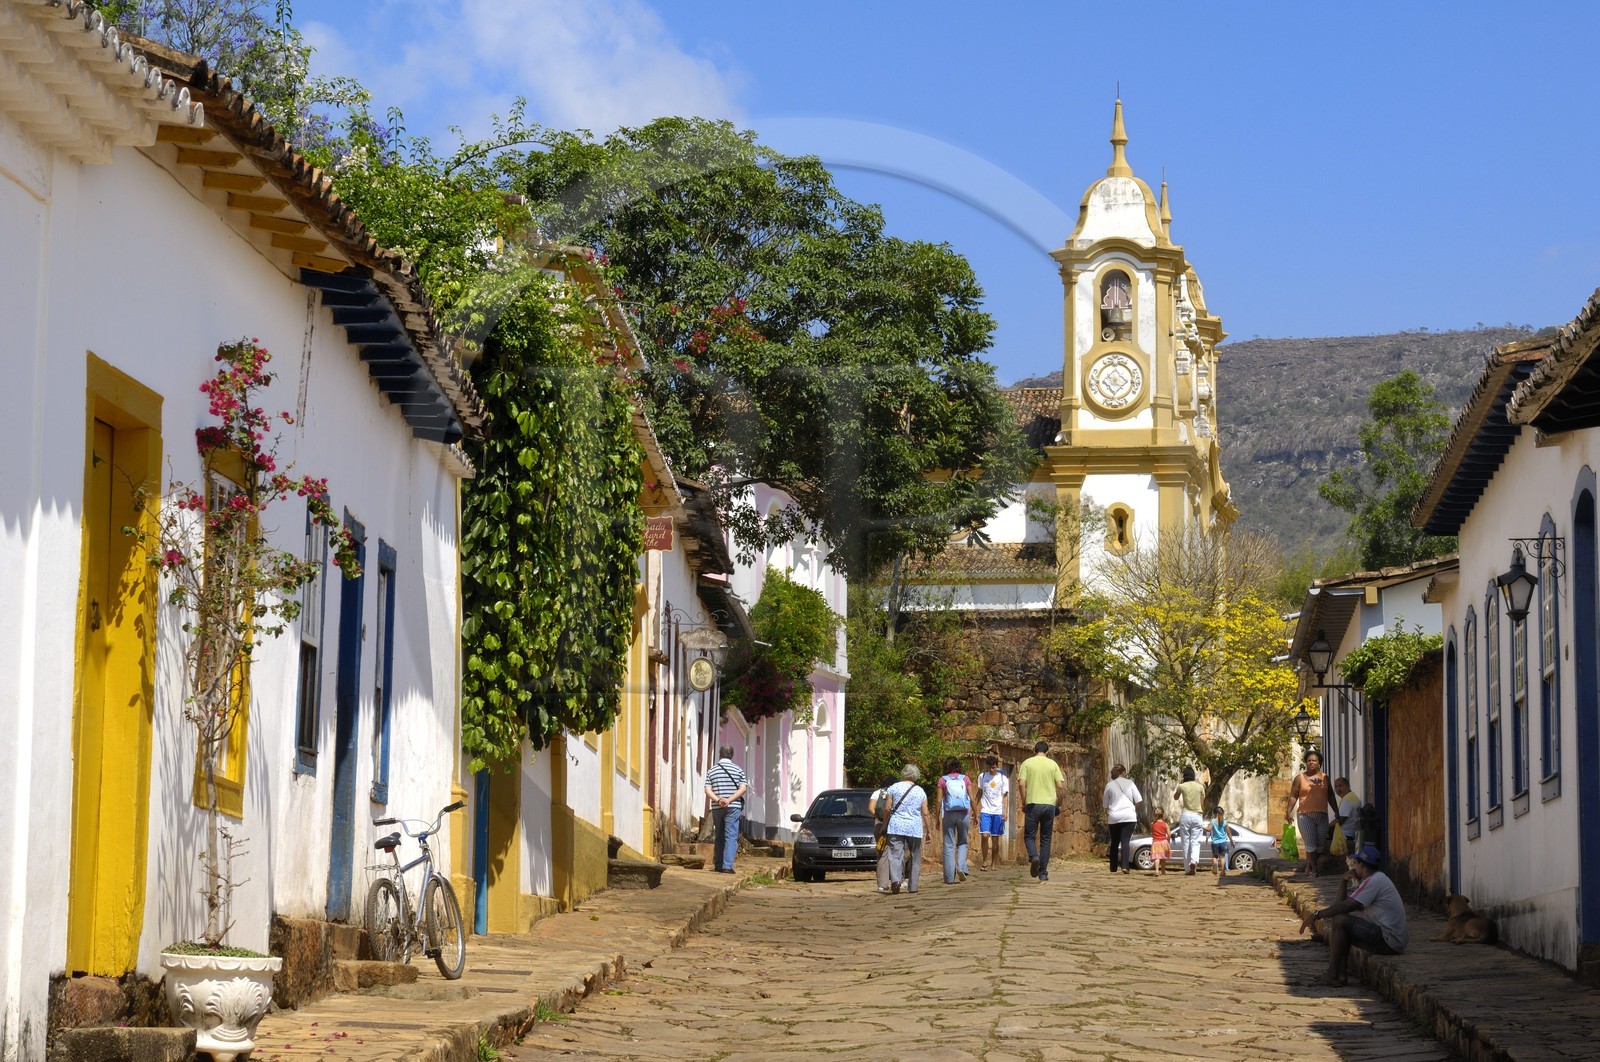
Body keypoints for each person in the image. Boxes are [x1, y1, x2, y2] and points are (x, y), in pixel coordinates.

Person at [1299, 845, 1408, 987]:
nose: (1354, 867)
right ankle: (1341, 976)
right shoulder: (1375, 879)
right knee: (1341, 923)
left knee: (1341, 921)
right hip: (1392, 939)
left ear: (1361, 865)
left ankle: (1333, 974)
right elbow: (1341, 906)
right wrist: (1343, 882)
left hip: (1390, 940)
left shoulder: (1374, 882)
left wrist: (1316, 915)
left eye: (1356, 864)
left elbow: (1344, 907)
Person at [1016, 740, 1066, 882]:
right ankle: (1043, 873)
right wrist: (1059, 804)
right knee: (1046, 839)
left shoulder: (1027, 763)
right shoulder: (1053, 764)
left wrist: (1024, 801)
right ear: (1047, 752)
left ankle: (1034, 857)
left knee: (1029, 836)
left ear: (1034, 751)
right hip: (1049, 805)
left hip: (1033, 804)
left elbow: (1021, 783)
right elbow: (1060, 787)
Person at [881, 764, 934, 895]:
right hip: (914, 827)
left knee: (895, 854)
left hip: (896, 825)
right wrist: (929, 831)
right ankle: (913, 886)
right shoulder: (921, 791)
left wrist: (884, 822)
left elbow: (887, 808)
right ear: (916, 776)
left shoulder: (894, 787)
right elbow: (925, 813)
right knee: (915, 855)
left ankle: (895, 880)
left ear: (903, 774)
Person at [704, 746, 748, 874]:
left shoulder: (712, 771)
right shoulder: (738, 770)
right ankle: (727, 866)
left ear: (720, 755)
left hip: (717, 807)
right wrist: (729, 800)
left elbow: (707, 789)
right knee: (731, 835)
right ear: (732, 755)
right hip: (733, 807)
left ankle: (718, 864)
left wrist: (719, 800)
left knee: (719, 835)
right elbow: (743, 788)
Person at [1286, 751, 1331, 876]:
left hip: (1322, 815)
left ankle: (1308, 866)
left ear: (1319, 764)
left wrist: (1337, 812)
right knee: (1311, 844)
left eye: (1314, 761)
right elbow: (1293, 796)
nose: (1311, 762)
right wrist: (1288, 812)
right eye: (1309, 760)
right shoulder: (1299, 778)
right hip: (1305, 815)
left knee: (1320, 845)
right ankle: (1314, 870)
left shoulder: (1325, 778)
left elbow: (1331, 796)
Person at [937, 758, 975, 884]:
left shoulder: (943, 780)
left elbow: (938, 801)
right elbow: (971, 798)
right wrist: (976, 813)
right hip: (964, 813)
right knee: (963, 842)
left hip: (948, 814)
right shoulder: (965, 779)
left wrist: (937, 817)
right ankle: (960, 866)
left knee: (948, 844)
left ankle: (949, 878)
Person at [1102, 763, 1142, 875]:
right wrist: (1133, 810)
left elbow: (1105, 805)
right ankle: (1125, 866)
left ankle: (1113, 867)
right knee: (1125, 841)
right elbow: (1138, 801)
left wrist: (1109, 814)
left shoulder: (1109, 785)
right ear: (1123, 773)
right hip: (1129, 816)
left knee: (1114, 842)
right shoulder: (1130, 783)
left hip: (1114, 816)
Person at [976, 756, 1009, 870]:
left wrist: (1005, 810)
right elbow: (979, 792)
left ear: (996, 766)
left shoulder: (1003, 778)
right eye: (990, 767)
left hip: (998, 811)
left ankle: (994, 863)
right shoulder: (982, 776)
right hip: (985, 810)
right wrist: (974, 808)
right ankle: (985, 860)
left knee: (995, 838)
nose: (991, 770)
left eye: (993, 767)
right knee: (985, 835)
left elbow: (1005, 796)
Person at [1172, 767, 1206, 875]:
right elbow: (1201, 802)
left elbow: (1175, 797)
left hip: (1186, 814)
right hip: (1197, 815)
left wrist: (1180, 785)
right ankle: (1193, 861)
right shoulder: (1200, 787)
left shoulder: (1182, 786)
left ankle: (1187, 868)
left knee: (1185, 842)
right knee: (1195, 841)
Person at [869, 775, 897, 893]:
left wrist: (880, 818)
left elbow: (870, 809)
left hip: (880, 826)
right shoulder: (896, 792)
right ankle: (898, 880)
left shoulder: (877, 793)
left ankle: (882, 884)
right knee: (898, 852)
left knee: (882, 853)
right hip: (894, 825)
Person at [1333, 776, 1361, 845]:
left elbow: (1339, 820)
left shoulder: (1348, 799)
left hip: (1344, 835)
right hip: (1345, 834)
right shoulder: (1349, 797)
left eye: (1340, 786)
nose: (1338, 789)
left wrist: (1326, 827)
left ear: (1347, 786)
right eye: (1336, 787)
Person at [1209, 807, 1229, 882]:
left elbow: (1209, 829)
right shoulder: (1225, 822)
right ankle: (1223, 871)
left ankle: (1214, 864)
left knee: (1215, 856)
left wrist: (1203, 828)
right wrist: (1231, 840)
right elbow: (1229, 832)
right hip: (1223, 842)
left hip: (1215, 842)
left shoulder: (1213, 821)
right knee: (1222, 857)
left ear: (1215, 814)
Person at [1150, 809, 1170, 876]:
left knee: (1157, 857)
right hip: (1164, 842)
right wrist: (1168, 840)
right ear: (1163, 815)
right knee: (1163, 858)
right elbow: (1169, 834)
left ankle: (1156, 871)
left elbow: (1152, 832)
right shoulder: (1165, 824)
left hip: (1156, 842)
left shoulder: (1153, 824)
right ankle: (1163, 870)